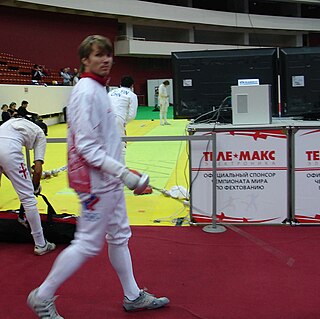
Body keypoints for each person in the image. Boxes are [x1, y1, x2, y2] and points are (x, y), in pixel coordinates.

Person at [27, 34, 169, 319]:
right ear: (84, 60)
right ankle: (42, 296)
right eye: (98, 55)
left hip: (108, 180)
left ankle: (132, 296)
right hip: (94, 184)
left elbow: (104, 141)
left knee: (119, 236)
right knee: (88, 243)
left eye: (108, 55)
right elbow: (88, 148)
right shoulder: (86, 92)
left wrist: (122, 173)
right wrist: (127, 176)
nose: (105, 59)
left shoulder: (98, 88)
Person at [0, 117, 56, 255]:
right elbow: (37, 170)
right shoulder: (40, 133)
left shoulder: (14, 123)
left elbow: (9, 171)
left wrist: (21, 180)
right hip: (9, 150)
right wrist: (34, 187)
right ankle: (41, 244)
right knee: (28, 199)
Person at [108, 75, 138, 163]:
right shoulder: (132, 95)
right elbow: (132, 115)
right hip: (118, 119)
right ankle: (121, 170)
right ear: (132, 85)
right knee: (121, 145)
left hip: (104, 119)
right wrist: (123, 122)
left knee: (108, 144)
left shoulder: (110, 92)